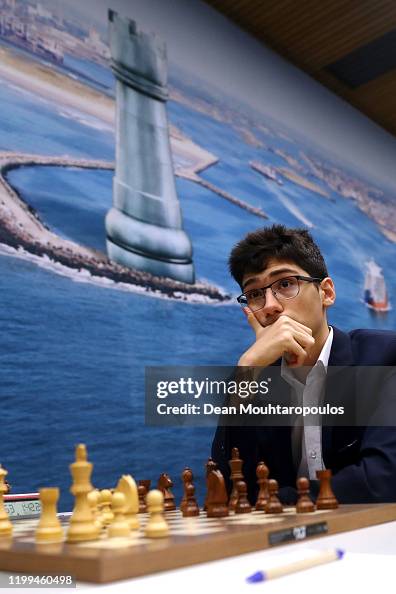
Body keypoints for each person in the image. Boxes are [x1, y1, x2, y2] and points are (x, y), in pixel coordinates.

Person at [212, 224, 396, 504]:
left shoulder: (385, 359)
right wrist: (246, 369)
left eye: (285, 284)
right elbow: (232, 490)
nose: (270, 305)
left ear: (327, 293)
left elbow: (382, 480)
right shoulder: (254, 378)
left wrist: (279, 500)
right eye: (255, 294)